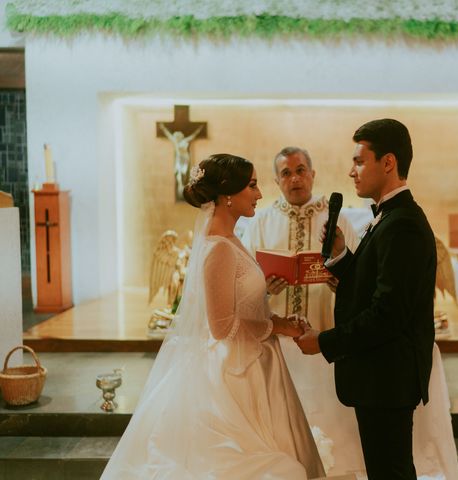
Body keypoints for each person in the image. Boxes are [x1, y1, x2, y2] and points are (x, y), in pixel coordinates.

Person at [101, 154, 325, 479]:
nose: (260, 193)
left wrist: (276, 314)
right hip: (237, 373)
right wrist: (278, 325)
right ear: (227, 195)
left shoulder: (232, 240)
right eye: (252, 185)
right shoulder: (218, 248)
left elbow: (242, 306)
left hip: (258, 362)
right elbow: (222, 327)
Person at [296, 119, 458, 479]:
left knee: (391, 472)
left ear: (388, 163)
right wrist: (341, 256)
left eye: (359, 161)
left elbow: (387, 313)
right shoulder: (390, 218)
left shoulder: (402, 223)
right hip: (381, 374)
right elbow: (378, 286)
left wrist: (324, 342)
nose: (350, 171)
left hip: (387, 374)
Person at [241, 146, 358, 331]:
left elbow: (359, 275)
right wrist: (265, 290)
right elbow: (242, 281)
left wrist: (342, 285)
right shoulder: (261, 223)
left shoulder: (337, 221)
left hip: (323, 334)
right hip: (275, 337)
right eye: (286, 173)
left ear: (312, 174)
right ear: (277, 181)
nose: (295, 178)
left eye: (301, 170)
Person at [159, 122, 204, 200]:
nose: (177, 138)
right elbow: (168, 134)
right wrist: (163, 128)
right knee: (178, 173)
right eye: (177, 137)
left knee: (184, 173)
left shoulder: (185, 141)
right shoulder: (175, 141)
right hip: (179, 159)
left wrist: (199, 130)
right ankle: (180, 185)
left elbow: (193, 136)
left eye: (178, 136)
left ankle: (183, 185)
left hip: (185, 159)